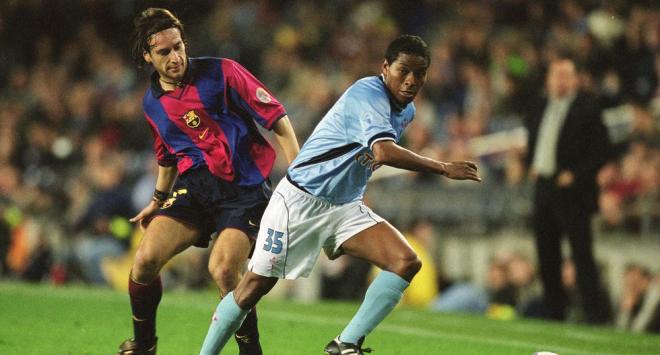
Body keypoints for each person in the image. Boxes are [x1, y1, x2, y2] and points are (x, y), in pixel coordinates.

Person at [198, 34, 481, 355]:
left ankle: (345, 344)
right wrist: (444, 167)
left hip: (343, 206)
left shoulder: (407, 111)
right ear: (385, 67)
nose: (411, 80)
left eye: (420, 73)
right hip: (299, 201)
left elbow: (368, 156)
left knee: (405, 261)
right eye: (404, 70)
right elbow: (384, 152)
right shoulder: (367, 93)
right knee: (252, 288)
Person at [118, 8, 299, 355]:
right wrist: (157, 200)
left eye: (178, 47)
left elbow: (278, 118)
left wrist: (298, 178)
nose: (175, 57)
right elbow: (167, 154)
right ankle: (144, 345)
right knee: (143, 261)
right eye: (164, 52)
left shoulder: (222, 71)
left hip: (244, 187)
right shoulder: (151, 102)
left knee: (224, 270)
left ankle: (251, 352)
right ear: (147, 56)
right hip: (196, 187)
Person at [524, 54, 613, 324]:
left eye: (566, 75)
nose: (560, 81)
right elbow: (534, 141)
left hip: (573, 191)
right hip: (544, 187)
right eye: (556, 75)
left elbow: (602, 150)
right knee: (547, 255)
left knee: (581, 255)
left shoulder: (587, 108)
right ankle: (555, 315)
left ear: (575, 79)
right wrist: (532, 164)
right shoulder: (540, 106)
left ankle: (594, 316)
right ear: (548, 79)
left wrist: (574, 174)